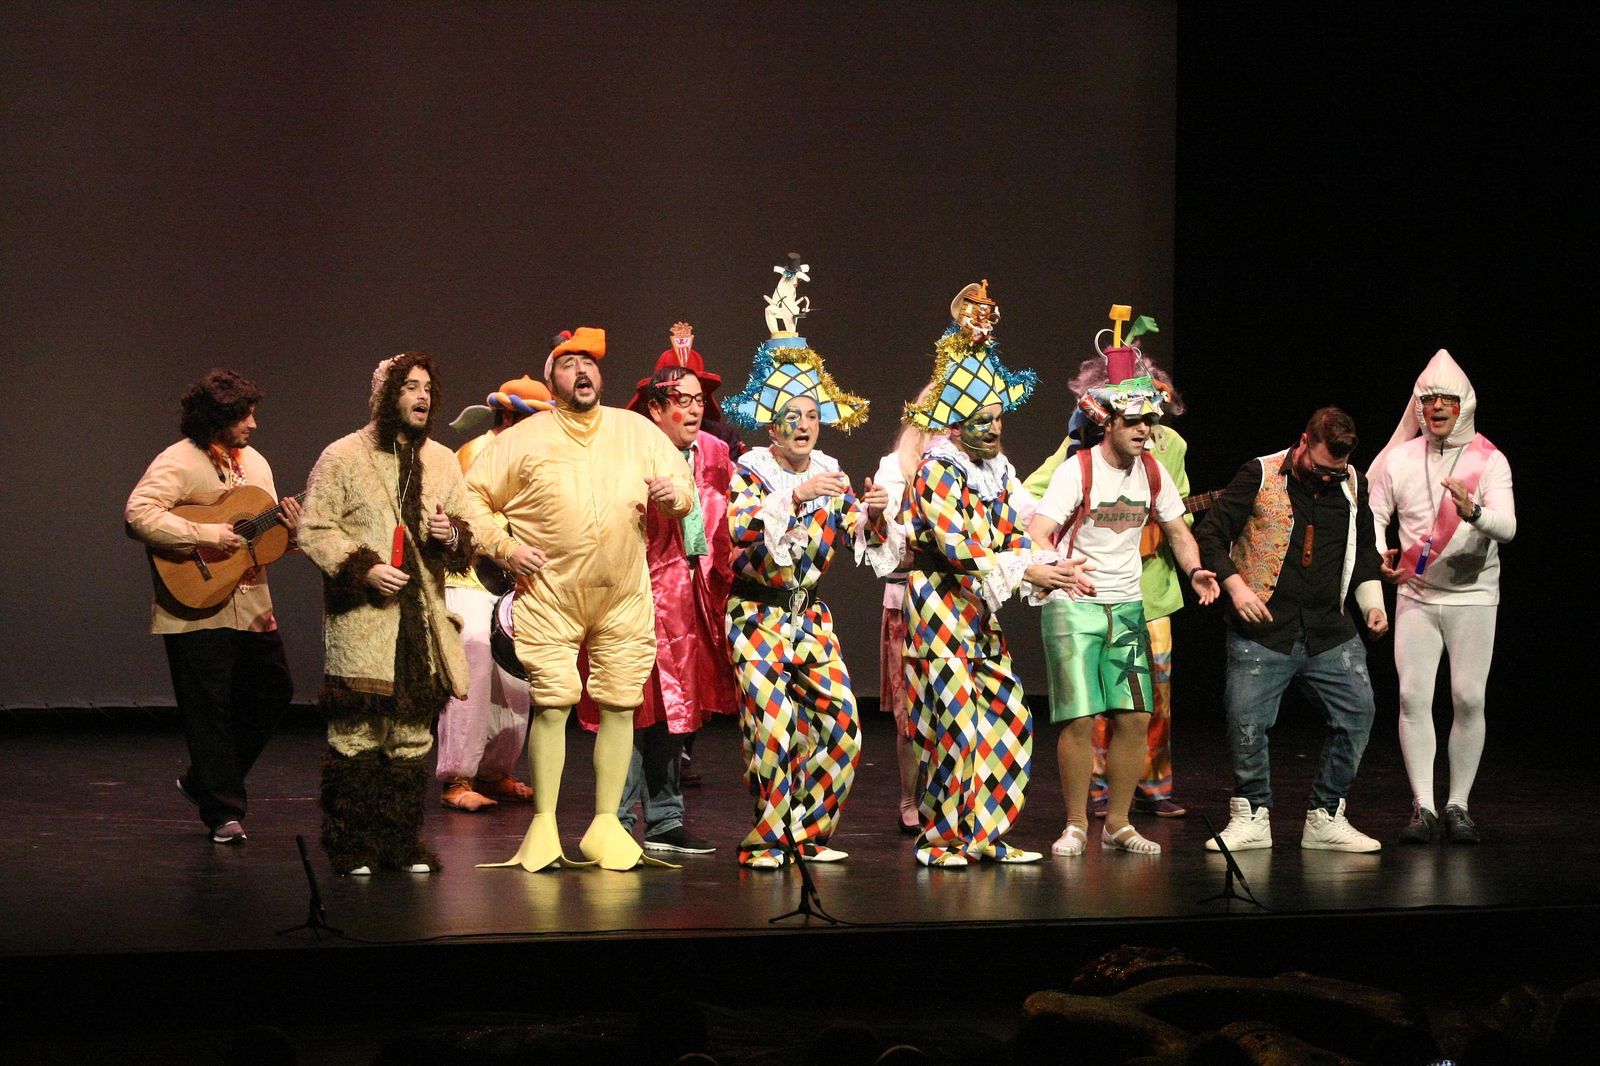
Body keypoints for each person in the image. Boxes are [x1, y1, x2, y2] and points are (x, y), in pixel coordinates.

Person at [466, 327, 695, 873]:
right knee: (553, 702)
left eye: (589, 364)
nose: (582, 372)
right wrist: (504, 546)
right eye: (569, 365)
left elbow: (682, 484)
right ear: (552, 378)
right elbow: (470, 498)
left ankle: (605, 825)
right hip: (551, 591)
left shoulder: (634, 429)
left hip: (622, 592)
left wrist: (676, 496)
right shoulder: (521, 438)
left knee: (621, 702)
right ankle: (544, 824)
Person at [897, 280, 1081, 867]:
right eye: (981, 418)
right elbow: (960, 546)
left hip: (977, 611)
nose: (995, 428)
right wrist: (1032, 568)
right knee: (953, 725)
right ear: (954, 422)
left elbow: (1014, 529)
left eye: (999, 417)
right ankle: (944, 839)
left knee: (1006, 712)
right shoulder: (937, 469)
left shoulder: (996, 469)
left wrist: (1052, 563)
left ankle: (985, 831)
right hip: (938, 606)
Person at [721, 273, 893, 868]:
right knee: (771, 732)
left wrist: (870, 515)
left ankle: (808, 832)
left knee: (843, 726)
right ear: (772, 426)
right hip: (756, 615)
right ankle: (766, 839)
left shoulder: (831, 469)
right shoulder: (752, 471)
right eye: (791, 416)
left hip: (809, 616)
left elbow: (856, 540)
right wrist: (796, 497)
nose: (803, 424)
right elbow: (738, 529)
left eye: (811, 415)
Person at [298, 351, 477, 875]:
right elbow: (314, 527)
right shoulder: (343, 457)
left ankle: (401, 844)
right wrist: (365, 568)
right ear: (386, 395)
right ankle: (351, 845)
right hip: (366, 619)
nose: (422, 397)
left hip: (420, 621)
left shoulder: (443, 460)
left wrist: (454, 534)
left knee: (411, 734)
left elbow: (467, 524)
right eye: (410, 387)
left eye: (428, 387)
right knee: (358, 732)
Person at [1026, 371, 1218, 858]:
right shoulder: (1079, 470)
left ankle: (1118, 824)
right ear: (1108, 422)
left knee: (1135, 716)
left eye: (1149, 422)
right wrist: (1056, 567)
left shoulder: (1153, 471)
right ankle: (1075, 824)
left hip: (1127, 607)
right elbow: (1040, 530)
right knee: (1079, 717)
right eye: (1133, 421)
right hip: (1074, 606)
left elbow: (1177, 530)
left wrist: (1195, 570)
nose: (1143, 430)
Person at [1194, 406, 1389, 853]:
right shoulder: (1259, 474)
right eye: (1320, 468)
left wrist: (1372, 605)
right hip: (1264, 628)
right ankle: (1252, 814)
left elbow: (1362, 551)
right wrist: (1237, 589)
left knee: (1358, 714)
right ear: (1303, 442)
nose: (1326, 478)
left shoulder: (1352, 483)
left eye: (1334, 471)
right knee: (1247, 722)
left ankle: (1327, 816)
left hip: (1328, 628)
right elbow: (1212, 533)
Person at [574, 323, 736, 853]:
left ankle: (666, 820)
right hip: (633, 590)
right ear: (655, 409)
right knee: (628, 704)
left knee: (675, 707)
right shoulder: (628, 448)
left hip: (688, 595)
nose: (693, 409)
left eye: (698, 399)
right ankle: (617, 820)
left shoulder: (713, 453)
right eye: (680, 400)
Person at [125, 369, 299, 844]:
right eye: (244, 415)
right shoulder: (178, 461)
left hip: (253, 603)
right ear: (217, 417)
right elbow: (138, 514)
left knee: (273, 690)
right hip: (196, 605)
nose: (253, 425)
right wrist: (206, 534)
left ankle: (205, 780)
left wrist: (295, 534)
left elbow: (261, 543)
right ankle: (223, 812)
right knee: (209, 709)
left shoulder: (257, 465)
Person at [1368, 350, 1515, 844]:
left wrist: (1473, 513)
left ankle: (1459, 805)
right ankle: (1424, 806)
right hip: (1416, 594)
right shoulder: (1398, 461)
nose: (1437, 408)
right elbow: (1371, 513)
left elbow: (1509, 527)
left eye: (1447, 400)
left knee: (1468, 698)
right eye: (1429, 400)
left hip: (1473, 597)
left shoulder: (1490, 461)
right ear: (1418, 406)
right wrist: (1378, 557)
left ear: (1464, 405)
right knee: (1412, 697)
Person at [434, 375, 554, 811]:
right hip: (468, 573)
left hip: (510, 579)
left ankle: (496, 769)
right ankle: (458, 775)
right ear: (508, 418)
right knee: (474, 652)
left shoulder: (534, 457)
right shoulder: (477, 454)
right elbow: (472, 522)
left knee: (515, 672)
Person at [869, 403, 934, 835]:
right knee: (910, 712)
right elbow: (884, 521)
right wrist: (877, 512)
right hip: (908, 602)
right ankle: (910, 797)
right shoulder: (896, 467)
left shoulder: (979, 466)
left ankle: (947, 796)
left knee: (952, 706)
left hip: (958, 602)